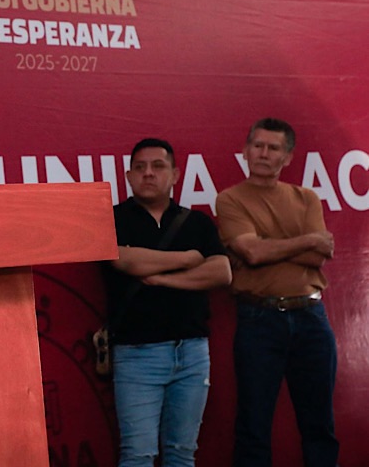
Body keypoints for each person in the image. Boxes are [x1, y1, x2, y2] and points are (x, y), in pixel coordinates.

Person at [216, 118, 339, 467]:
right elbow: (253, 253)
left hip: (311, 318)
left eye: (273, 148)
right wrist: (306, 240)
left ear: (287, 157)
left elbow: (319, 256)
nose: (263, 153)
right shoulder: (230, 199)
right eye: (257, 146)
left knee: (319, 424)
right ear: (245, 150)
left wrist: (267, 246)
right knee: (253, 425)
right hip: (259, 319)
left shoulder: (306, 197)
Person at [103, 138, 231, 467]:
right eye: (140, 167)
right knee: (138, 455)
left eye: (157, 166)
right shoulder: (112, 219)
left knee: (181, 454)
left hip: (191, 353)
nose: (148, 173)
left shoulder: (197, 222)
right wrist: (187, 258)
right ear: (129, 176)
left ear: (175, 174)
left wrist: (162, 279)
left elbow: (221, 272)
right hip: (136, 355)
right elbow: (125, 260)